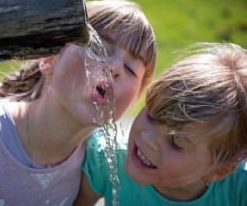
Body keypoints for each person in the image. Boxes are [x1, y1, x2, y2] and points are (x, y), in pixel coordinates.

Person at [0, 0, 157, 206]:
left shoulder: (96, 162)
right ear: (48, 59)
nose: (114, 68)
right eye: (98, 48)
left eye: (130, 68)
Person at [75, 42, 247, 206]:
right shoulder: (106, 161)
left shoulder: (239, 190)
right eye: (152, 116)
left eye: (176, 141)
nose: (148, 138)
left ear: (218, 171)